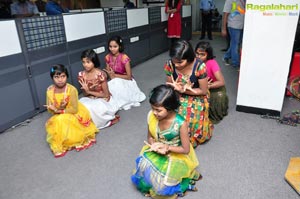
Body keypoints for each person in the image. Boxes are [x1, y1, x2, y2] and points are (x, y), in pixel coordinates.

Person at [131, 84, 201, 199]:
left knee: (163, 186)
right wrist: (153, 145)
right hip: (157, 150)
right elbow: (150, 136)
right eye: (152, 108)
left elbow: (185, 149)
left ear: (170, 108)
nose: (154, 112)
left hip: (175, 154)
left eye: (158, 110)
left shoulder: (180, 123)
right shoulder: (151, 116)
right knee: (143, 167)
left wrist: (167, 148)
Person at [164, 39, 213, 148]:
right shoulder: (170, 64)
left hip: (197, 95)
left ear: (189, 58)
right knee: (163, 111)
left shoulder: (199, 66)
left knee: (185, 119)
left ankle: (184, 141)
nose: (176, 65)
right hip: (176, 94)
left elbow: (203, 90)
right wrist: (174, 88)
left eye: (180, 62)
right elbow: (169, 84)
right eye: (174, 61)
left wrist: (184, 90)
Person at [45, 64, 98, 158]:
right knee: (56, 121)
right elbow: (51, 109)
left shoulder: (71, 89)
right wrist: (54, 109)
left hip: (73, 113)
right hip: (60, 113)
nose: (60, 80)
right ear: (52, 78)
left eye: (63, 76)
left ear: (67, 76)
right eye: (56, 77)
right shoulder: (49, 90)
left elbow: (74, 109)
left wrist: (59, 110)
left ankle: (71, 139)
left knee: (59, 120)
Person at [78, 49, 120, 129]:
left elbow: (106, 94)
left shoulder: (100, 74)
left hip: (103, 98)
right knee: (80, 105)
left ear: (94, 61)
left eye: (88, 62)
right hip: (90, 98)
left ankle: (108, 120)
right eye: (83, 62)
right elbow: (85, 94)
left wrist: (89, 91)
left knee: (93, 108)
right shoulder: (81, 75)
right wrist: (87, 91)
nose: (85, 65)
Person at [104, 35, 146, 110]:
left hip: (126, 80)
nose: (112, 49)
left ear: (120, 46)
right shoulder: (107, 57)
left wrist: (115, 76)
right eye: (110, 46)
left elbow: (129, 76)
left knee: (115, 83)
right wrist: (107, 74)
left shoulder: (124, 58)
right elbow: (109, 74)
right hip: (113, 80)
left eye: (115, 46)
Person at [195, 41, 229, 124]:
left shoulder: (212, 63)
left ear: (208, 54)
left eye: (202, 54)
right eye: (197, 53)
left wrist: (208, 86)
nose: (199, 56)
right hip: (200, 85)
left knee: (217, 98)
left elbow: (221, 82)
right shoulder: (195, 61)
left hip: (214, 87)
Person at [221, 0, 245, 69]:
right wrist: (223, 28)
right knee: (235, 44)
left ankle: (226, 56)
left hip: (242, 25)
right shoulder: (230, 0)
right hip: (233, 25)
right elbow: (225, 14)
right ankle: (236, 63)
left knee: (235, 43)